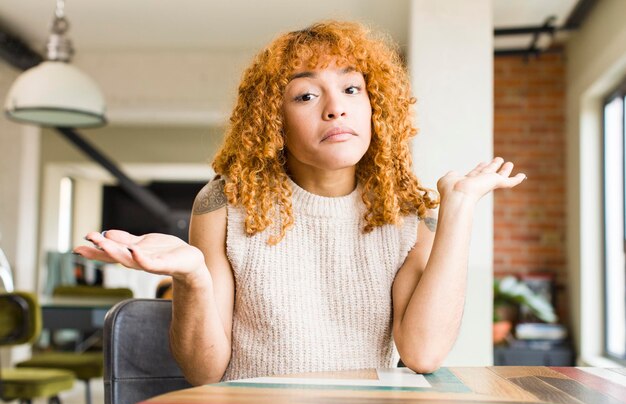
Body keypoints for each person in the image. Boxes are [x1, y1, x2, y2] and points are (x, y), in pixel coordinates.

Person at [74, 21, 525, 384]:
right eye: (306, 95)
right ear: (274, 121)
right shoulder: (224, 202)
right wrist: (191, 276)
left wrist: (459, 209)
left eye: (352, 89)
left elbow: (423, 353)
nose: (336, 109)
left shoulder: (407, 213)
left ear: (375, 107)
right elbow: (203, 371)